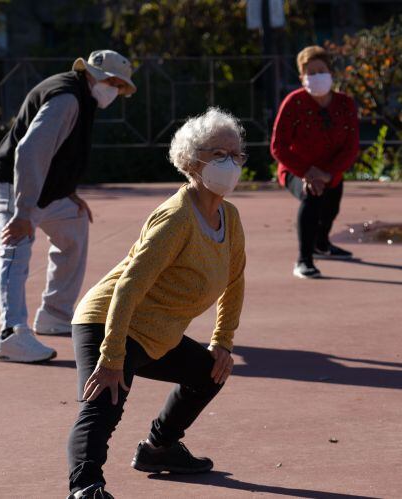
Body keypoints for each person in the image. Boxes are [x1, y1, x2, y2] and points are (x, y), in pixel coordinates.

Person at [65, 107, 247, 498]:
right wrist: (112, 356)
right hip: (109, 319)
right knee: (106, 399)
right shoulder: (175, 217)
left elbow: (234, 282)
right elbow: (128, 287)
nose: (230, 163)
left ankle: (159, 448)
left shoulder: (229, 218)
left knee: (209, 372)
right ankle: (85, 488)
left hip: (156, 333)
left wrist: (223, 342)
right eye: (219, 154)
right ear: (193, 161)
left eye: (236, 155)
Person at [0, 50, 136, 363]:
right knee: (16, 247)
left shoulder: (83, 96)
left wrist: (68, 192)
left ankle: (54, 314)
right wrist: (23, 213)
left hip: (47, 192)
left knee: (74, 226)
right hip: (14, 185)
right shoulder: (67, 98)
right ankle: (11, 334)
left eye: (121, 87)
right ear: (96, 76)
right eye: (115, 84)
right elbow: (29, 153)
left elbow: (61, 151)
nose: (117, 91)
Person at [271, 45, 360, 279]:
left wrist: (329, 174)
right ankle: (304, 260)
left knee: (331, 206)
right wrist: (308, 173)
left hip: (331, 172)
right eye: (310, 73)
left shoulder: (345, 104)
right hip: (297, 170)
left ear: (330, 73)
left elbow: (351, 147)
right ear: (302, 78)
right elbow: (278, 146)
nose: (316, 76)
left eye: (321, 70)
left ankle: (322, 244)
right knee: (312, 197)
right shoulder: (293, 103)